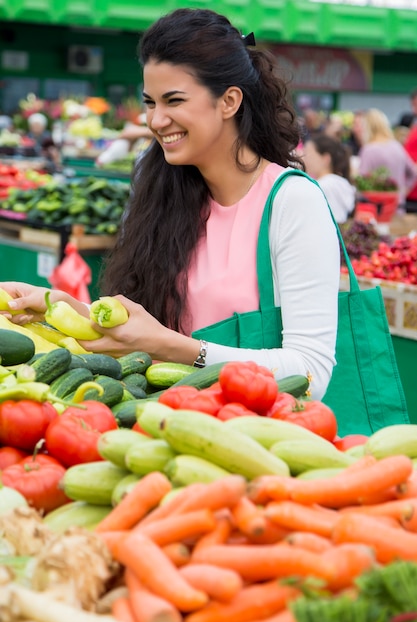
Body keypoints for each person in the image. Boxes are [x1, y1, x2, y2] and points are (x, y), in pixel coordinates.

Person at [0, 8, 340, 400]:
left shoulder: (293, 202)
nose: (157, 120)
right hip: (168, 425)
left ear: (229, 101)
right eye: (149, 103)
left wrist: (172, 347)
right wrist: (65, 310)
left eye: (173, 101)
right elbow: (147, 333)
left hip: (253, 441)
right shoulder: (167, 193)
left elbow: (310, 376)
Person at [358, 108, 417, 211]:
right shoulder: (396, 146)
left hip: (377, 209)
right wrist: (403, 191)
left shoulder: (369, 150)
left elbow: (362, 183)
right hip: (398, 207)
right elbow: (414, 173)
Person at [302, 133, 355, 224]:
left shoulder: (324, 185)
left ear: (326, 158)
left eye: (308, 154)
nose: (304, 159)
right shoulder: (339, 182)